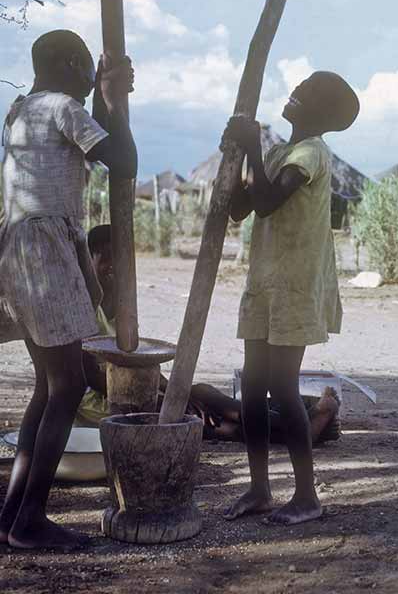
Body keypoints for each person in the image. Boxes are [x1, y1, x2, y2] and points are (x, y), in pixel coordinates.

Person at [0, 30, 137, 550]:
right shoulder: (62, 108)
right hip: (45, 251)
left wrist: (103, 94)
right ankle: (29, 519)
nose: (85, 80)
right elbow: (125, 163)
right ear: (69, 64)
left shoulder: (20, 111)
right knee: (69, 386)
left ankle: (14, 516)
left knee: (49, 386)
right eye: (84, 69)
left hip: (23, 246)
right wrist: (109, 100)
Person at [221, 71, 360, 525]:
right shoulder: (283, 152)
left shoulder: (311, 153)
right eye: (297, 88)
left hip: (295, 289)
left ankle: (306, 496)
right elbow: (242, 207)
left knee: (281, 387)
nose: (294, 94)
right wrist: (240, 153)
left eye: (304, 94)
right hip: (265, 285)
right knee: (253, 389)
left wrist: (254, 146)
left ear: (321, 113)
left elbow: (266, 203)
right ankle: (260, 488)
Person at [78, 225, 341, 445]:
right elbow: (92, 376)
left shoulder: (121, 303)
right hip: (103, 402)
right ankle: (304, 429)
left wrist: (177, 392)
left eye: (121, 258)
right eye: (105, 258)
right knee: (199, 420)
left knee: (202, 395)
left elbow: (138, 362)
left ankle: (300, 425)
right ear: (90, 260)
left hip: (133, 392)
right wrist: (165, 398)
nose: (113, 266)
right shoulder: (84, 306)